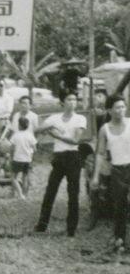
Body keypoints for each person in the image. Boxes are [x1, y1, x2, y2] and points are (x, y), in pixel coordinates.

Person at [34, 90, 87, 237]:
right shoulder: (54, 118)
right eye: (69, 99)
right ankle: (41, 226)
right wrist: (48, 128)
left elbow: (75, 140)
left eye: (75, 100)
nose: (72, 102)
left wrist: (56, 134)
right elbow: (37, 129)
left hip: (73, 157)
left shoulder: (80, 118)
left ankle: (71, 229)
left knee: (73, 193)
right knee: (50, 192)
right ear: (63, 102)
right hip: (58, 157)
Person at [91, 94, 130, 252]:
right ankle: (120, 239)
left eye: (123, 107)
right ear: (109, 110)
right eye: (117, 107)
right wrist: (95, 176)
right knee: (120, 206)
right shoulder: (104, 129)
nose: (121, 110)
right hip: (117, 170)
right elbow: (100, 154)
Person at [9, 117, 37, 200]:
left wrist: (11, 157)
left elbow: (12, 148)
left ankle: (20, 194)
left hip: (17, 159)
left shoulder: (16, 135)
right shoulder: (30, 135)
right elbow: (35, 149)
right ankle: (24, 194)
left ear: (19, 125)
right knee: (25, 177)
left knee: (13, 178)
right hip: (27, 159)